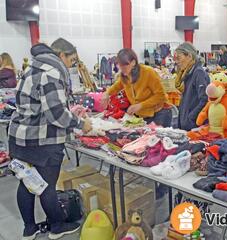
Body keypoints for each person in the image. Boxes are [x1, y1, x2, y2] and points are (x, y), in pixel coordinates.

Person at [8, 38, 92, 240]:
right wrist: (81, 124)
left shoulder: (33, 67)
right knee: (47, 186)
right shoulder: (53, 71)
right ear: (61, 55)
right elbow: (56, 114)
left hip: (19, 138)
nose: (72, 65)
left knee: (27, 183)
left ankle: (29, 229)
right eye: (71, 60)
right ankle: (57, 226)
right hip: (41, 141)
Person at [101, 48, 172, 127]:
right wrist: (107, 93)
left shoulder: (148, 72)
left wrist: (140, 105)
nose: (122, 67)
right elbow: (117, 86)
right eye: (120, 65)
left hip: (160, 113)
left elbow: (160, 96)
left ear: (133, 62)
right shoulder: (125, 75)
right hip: (143, 115)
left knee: (157, 138)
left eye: (125, 64)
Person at [175, 42, 210, 131]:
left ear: (189, 56)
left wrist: (191, 117)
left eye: (179, 58)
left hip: (194, 125)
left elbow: (205, 99)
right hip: (186, 123)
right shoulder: (187, 73)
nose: (177, 62)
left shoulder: (198, 73)